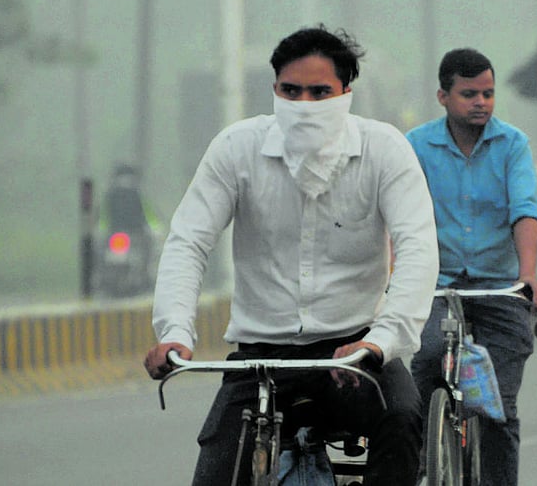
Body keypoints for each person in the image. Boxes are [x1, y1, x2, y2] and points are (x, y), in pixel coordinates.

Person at [142, 25, 440, 486]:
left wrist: (380, 342)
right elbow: (188, 241)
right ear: (274, 92)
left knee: (400, 421)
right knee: (217, 469)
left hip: (355, 352)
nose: (305, 105)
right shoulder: (236, 149)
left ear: (346, 93)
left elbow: (418, 249)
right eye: (291, 91)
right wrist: (174, 331)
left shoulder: (385, 150)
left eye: (320, 92)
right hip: (262, 357)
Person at [407, 48, 537, 486]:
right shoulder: (414, 146)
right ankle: (428, 457)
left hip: (498, 288)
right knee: (424, 361)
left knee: (497, 409)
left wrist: (527, 274)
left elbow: (524, 211)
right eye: (469, 94)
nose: (480, 102)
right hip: (435, 286)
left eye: (488, 93)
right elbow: (399, 217)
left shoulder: (513, 145)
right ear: (442, 96)